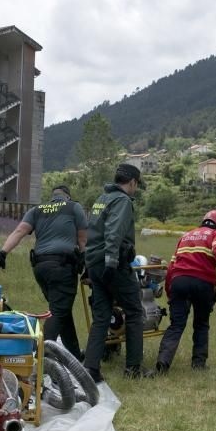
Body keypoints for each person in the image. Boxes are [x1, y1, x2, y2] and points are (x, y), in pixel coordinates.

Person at [0, 185, 87, 360]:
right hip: (62, 266)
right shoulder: (74, 207)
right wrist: (85, 261)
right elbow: (82, 238)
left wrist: (2, 254)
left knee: (62, 311)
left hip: (40, 268)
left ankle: (74, 354)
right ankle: (41, 356)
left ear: (52, 197)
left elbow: (19, 231)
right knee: (59, 311)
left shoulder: (37, 210)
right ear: (67, 196)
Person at [82, 163, 154, 380]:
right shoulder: (122, 201)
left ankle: (91, 368)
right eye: (136, 184)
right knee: (134, 312)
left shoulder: (101, 199)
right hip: (113, 264)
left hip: (94, 264)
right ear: (132, 182)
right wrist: (112, 263)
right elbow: (113, 233)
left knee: (102, 316)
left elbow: (91, 232)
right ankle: (133, 369)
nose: (135, 188)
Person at [155, 210, 216, 374]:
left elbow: (172, 266)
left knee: (176, 325)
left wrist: (170, 290)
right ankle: (198, 364)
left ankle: (163, 361)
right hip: (202, 283)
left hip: (179, 282)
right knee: (201, 324)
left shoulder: (186, 236)